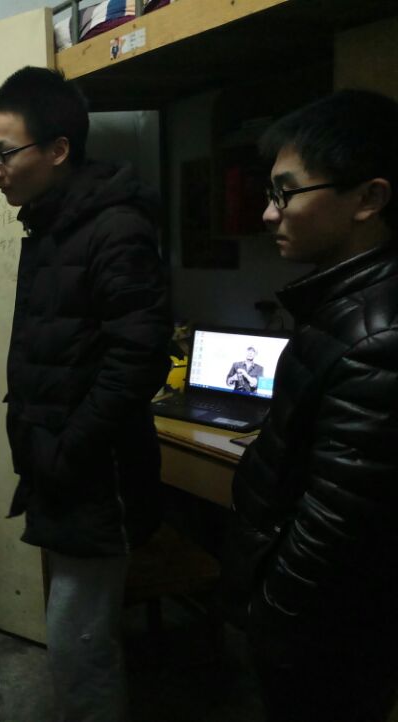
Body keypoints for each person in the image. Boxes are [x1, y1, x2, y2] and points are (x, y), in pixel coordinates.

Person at [0, 67, 171, 722]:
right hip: (64, 468)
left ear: (58, 149)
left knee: (79, 644)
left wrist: (68, 450)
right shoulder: (55, 224)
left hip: (97, 475)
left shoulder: (113, 229)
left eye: (5, 153)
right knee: (76, 633)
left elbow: (137, 359)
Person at [224, 89, 398, 722]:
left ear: (368, 199)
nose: (269, 213)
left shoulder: (378, 334)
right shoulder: (341, 303)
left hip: (322, 635)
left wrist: (269, 617)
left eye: (285, 193)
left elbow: (334, 525)